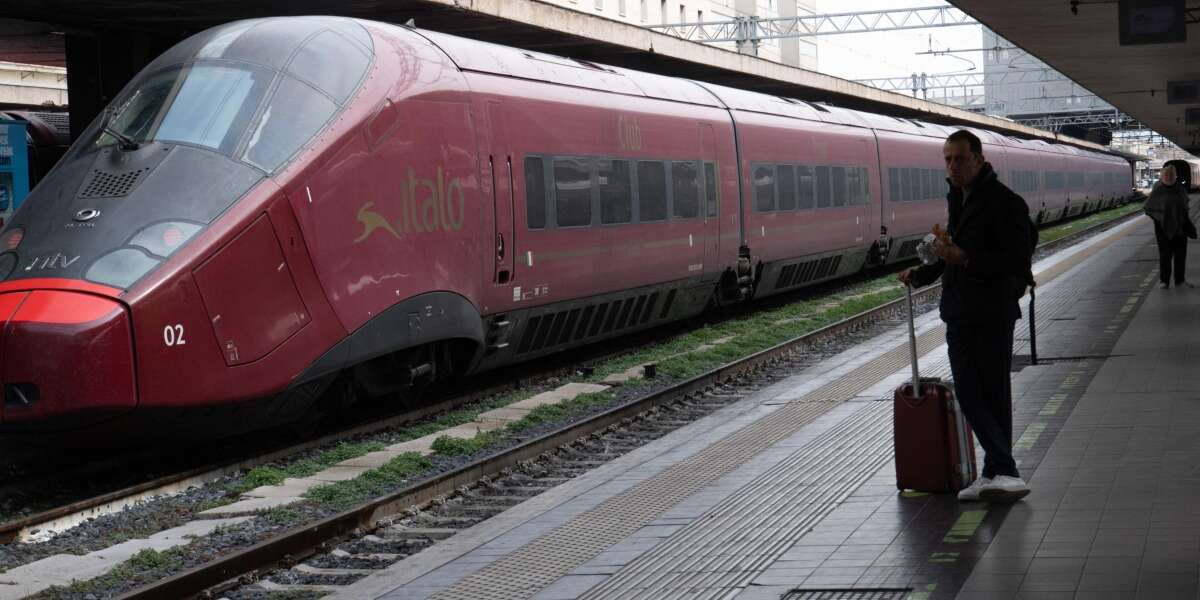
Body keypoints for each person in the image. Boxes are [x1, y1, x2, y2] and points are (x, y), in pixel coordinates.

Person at [899, 129, 1034, 503]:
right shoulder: (959, 199)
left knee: (981, 393)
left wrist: (967, 259)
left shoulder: (1006, 203)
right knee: (983, 393)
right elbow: (952, 252)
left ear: (978, 158)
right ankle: (996, 472)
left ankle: (1004, 469)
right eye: (947, 159)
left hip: (991, 309)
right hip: (961, 309)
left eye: (959, 158)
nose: (952, 166)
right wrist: (924, 272)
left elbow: (1017, 260)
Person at [1144, 164, 1193, 289]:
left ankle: (1180, 280)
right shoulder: (1158, 189)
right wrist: (1159, 219)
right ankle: (1164, 281)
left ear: (1175, 176)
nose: (1170, 178)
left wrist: (1186, 223)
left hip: (1180, 226)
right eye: (1167, 175)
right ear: (1162, 176)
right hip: (1162, 227)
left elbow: (1184, 206)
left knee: (1180, 254)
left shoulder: (1179, 188)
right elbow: (1149, 208)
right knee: (1165, 254)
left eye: (1171, 175)